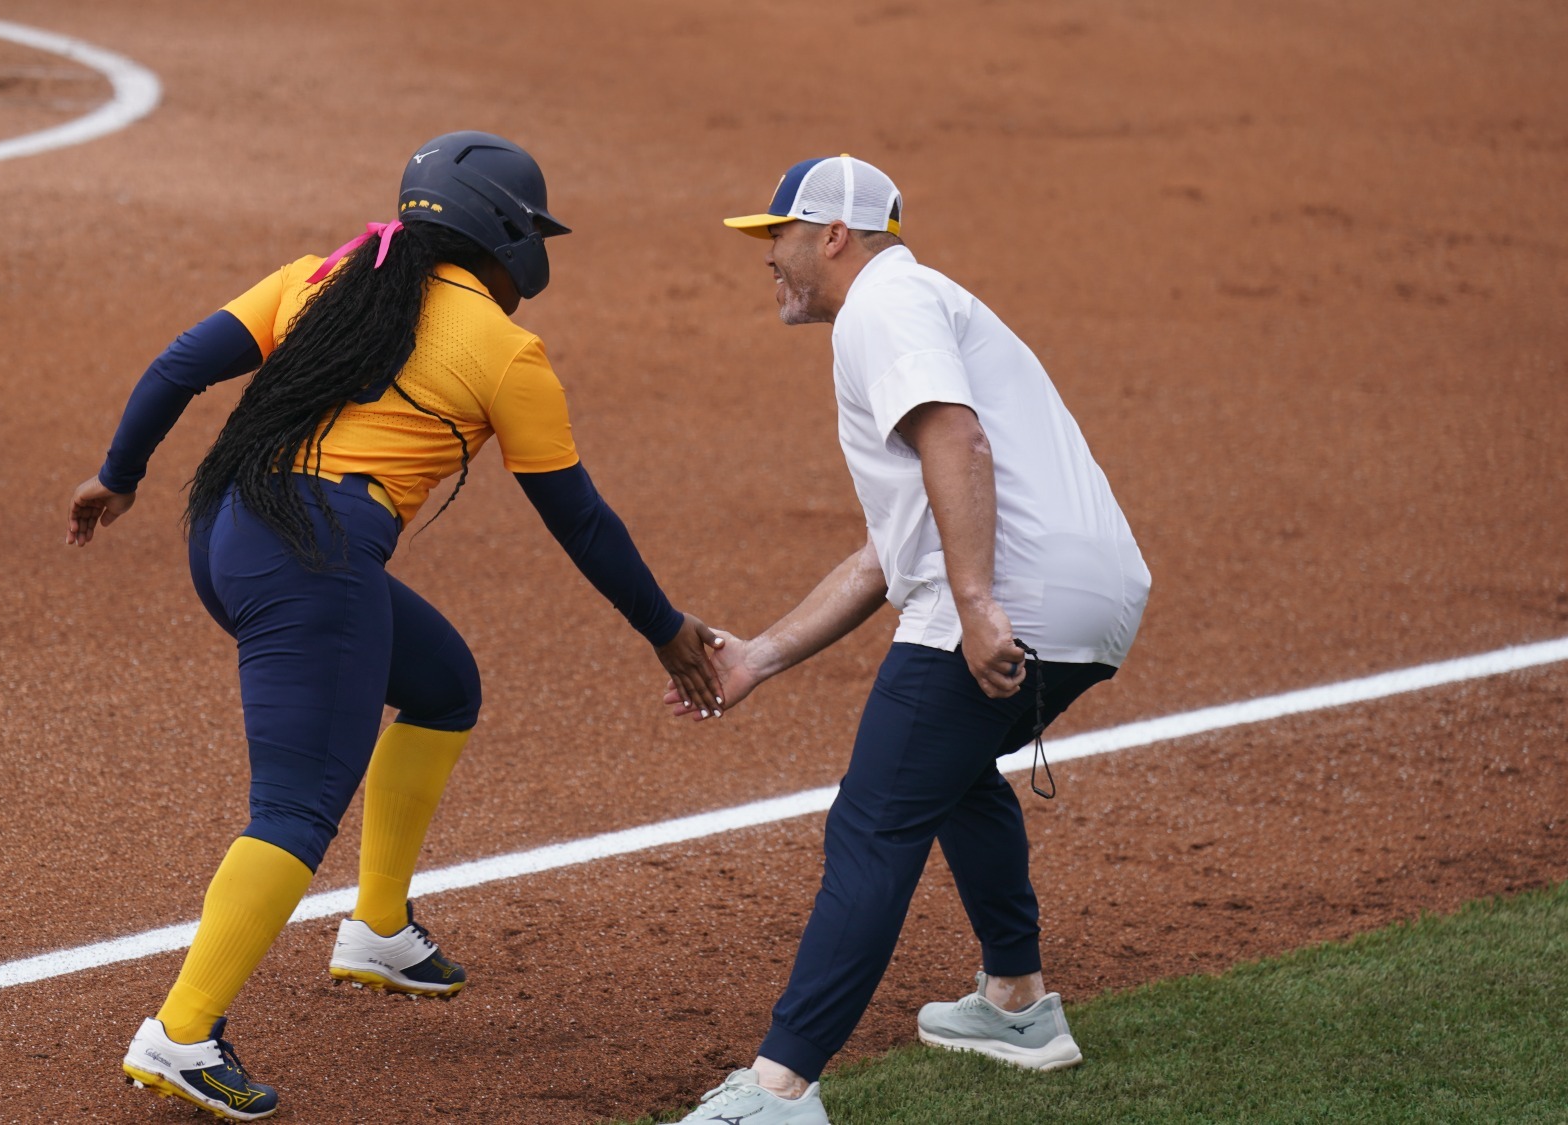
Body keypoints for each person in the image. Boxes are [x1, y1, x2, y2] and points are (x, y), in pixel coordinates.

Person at [64, 131, 725, 1121]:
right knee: (293, 809)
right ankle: (182, 1033)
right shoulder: (505, 353)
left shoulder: (323, 274)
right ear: (503, 237)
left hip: (230, 532)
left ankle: (376, 929)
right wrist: (664, 628)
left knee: (443, 686)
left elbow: (177, 366)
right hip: (312, 557)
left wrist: (117, 477)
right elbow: (579, 520)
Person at [669, 155, 1151, 1125]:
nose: (768, 257)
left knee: (872, 818)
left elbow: (957, 444)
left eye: (778, 238)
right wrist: (757, 655)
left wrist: (975, 604)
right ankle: (1013, 1003)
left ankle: (777, 1092)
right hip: (1090, 594)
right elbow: (888, 553)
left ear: (833, 237)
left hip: (1012, 594)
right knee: (952, 775)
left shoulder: (881, 308)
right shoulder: (920, 304)